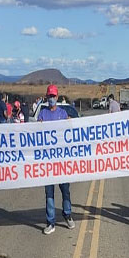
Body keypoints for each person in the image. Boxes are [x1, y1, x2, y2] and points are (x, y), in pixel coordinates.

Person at [38, 84, 75, 234]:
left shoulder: (63, 113)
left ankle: (67, 215)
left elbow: (71, 132)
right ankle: (51, 222)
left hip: (62, 161)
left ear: (57, 97)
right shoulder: (42, 114)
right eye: (49, 96)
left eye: (53, 96)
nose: (51, 99)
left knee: (65, 190)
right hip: (48, 161)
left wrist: (71, 123)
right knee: (49, 193)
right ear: (46, 98)